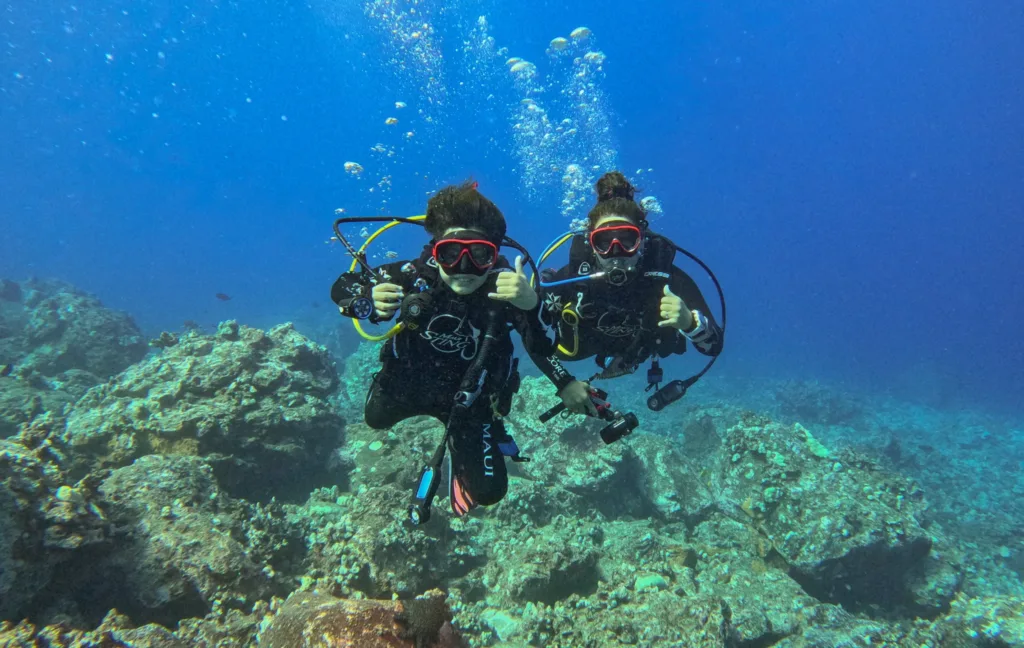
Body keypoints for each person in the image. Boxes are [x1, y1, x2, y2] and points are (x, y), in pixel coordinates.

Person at [330, 181, 572, 522]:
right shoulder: (415, 276)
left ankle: (460, 448)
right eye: (450, 253)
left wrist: (531, 304)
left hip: (469, 400)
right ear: (435, 250)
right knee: (376, 419)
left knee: (490, 493)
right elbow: (343, 285)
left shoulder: (507, 288)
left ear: (494, 253)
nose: (464, 267)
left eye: (480, 255)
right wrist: (365, 302)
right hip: (408, 383)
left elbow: (544, 344)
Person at [540, 171, 724, 416]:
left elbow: (714, 347)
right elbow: (532, 335)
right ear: (591, 245)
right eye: (604, 242)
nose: (616, 252)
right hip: (587, 347)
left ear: (643, 241)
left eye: (627, 240)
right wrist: (563, 380)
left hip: (641, 349)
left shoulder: (667, 280)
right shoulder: (573, 278)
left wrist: (690, 323)